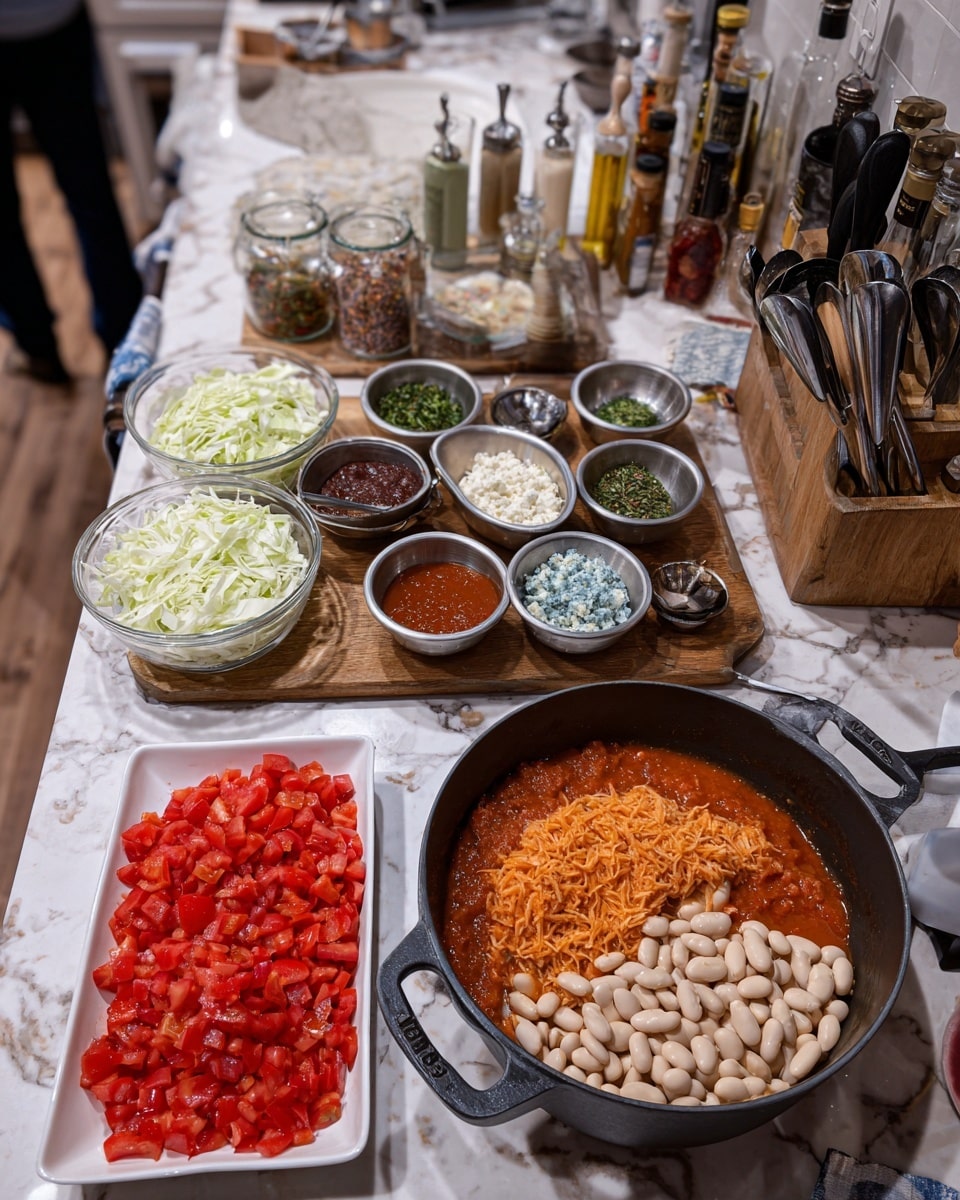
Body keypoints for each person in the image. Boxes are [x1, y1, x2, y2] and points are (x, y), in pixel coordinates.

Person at [0, 0, 143, 384]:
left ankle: (37, 347)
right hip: (52, 22)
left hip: (51, 23)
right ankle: (125, 347)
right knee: (90, 194)